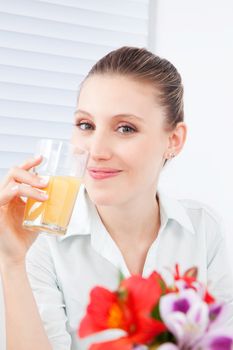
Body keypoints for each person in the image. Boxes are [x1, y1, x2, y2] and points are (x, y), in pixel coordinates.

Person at [0, 46, 232, 350]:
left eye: (125, 128)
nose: (96, 151)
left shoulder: (203, 229)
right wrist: (11, 261)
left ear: (173, 140)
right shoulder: (41, 238)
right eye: (86, 125)